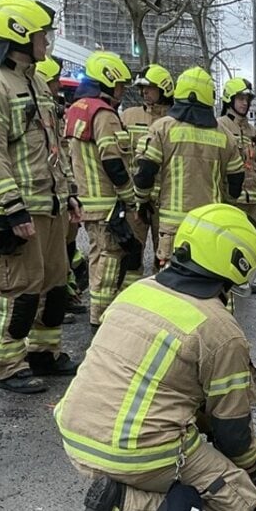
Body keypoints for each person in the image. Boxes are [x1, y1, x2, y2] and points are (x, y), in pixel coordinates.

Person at [56, 203, 256, 511]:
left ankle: (123, 489)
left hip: (76, 434)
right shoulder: (218, 329)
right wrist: (251, 471)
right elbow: (230, 429)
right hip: (137, 451)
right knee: (238, 504)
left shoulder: (139, 290)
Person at [0, 0, 82, 394]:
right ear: (19, 34)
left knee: (55, 282)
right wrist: (12, 209)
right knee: (19, 288)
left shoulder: (35, 80)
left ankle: (43, 353)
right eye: (41, 35)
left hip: (50, 203)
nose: (47, 42)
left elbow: (53, 143)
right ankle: (8, 363)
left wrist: (69, 194)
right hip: (20, 207)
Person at [134, 67, 245, 267]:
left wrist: (141, 200)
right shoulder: (225, 135)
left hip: (173, 226)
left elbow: (144, 171)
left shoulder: (162, 128)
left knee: (172, 286)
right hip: (211, 225)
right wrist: (227, 203)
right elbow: (236, 179)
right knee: (210, 277)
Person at [65, 51, 140, 328]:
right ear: (107, 81)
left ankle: (100, 314)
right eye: (119, 85)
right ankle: (104, 320)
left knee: (98, 258)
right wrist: (131, 198)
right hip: (108, 203)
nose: (121, 92)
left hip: (89, 201)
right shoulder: (104, 114)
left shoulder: (77, 110)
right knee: (109, 261)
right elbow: (113, 162)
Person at [35, 55, 88, 318]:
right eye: (55, 81)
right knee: (50, 260)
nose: (58, 86)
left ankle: (66, 295)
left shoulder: (54, 112)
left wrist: (69, 191)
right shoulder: (41, 115)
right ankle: (54, 304)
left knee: (64, 253)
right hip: (46, 198)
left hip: (61, 194)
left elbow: (62, 155)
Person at [120, 64, 174, 265]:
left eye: (149, 87)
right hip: (136, 199)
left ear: (164, 89)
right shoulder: (128, 116)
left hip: (165, 201)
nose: (144, 92)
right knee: (131, 254)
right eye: (142, 88)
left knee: (165, 258)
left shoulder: (174, 121)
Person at [217, 78, 256, 226]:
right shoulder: (219, 126)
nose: (245, 103)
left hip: (252, 202)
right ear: (229, 98)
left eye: (247, 99)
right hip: (229, 201)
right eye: (241, 98)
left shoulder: (252, 131)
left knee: (252, 245)